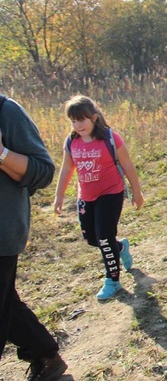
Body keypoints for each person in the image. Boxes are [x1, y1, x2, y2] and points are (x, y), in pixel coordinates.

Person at [0, 94, 69, 380]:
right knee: (6, 304)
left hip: (2, 233)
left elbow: (43, 172)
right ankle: (45, 354)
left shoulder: (6, 112)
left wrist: (1, 154)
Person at [53, 95, 143, 301]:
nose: (77, 125)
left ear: (94, 118)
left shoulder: (111, 138)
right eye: (73, 121)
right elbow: (67, 168)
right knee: (92, 239)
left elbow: (127, 165)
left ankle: (112, 280)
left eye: (81, 120)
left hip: (110, 193)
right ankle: (120, 247)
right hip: (86, 196)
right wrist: (59, 196)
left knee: (104, 237)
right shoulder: (71, 141)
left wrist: (137, 192)